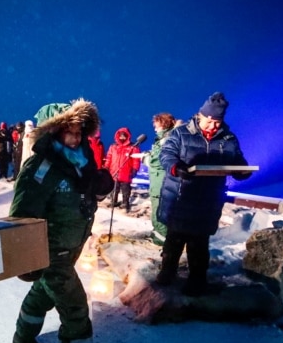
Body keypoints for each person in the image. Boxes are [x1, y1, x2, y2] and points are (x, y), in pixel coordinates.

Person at [9, 98, 117, 343]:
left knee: (42, 295)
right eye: (67, 131)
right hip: (51, 251)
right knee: (75, 309)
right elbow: (22, 215)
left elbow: (82, 201)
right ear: (52, 132)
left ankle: (23, 338)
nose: (74, 136)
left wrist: (97, 189)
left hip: (73, 247)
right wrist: (25, 257)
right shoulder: (41, 167)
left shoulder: (82, 161)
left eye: (79, 130)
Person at [156, 92, 251, 296]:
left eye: (218, 122)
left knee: (199, 244)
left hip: (208, 201)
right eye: (210, 121)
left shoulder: (228, 139)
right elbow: (166, 155)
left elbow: (237, 161)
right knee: (174, 240)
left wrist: (242, 170)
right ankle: (167, 272)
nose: (214, 126)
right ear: (200, 116)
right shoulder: (181, 133)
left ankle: (197, 280)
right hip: (181, 198)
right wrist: (176, 167)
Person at [146, 113, 180, 246]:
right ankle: (158, 236)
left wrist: (146, 159)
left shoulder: (167, 139)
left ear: (164, 124)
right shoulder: (165, 138)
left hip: (161, 183)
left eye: (156, 125)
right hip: (159, 182)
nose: (155, 128)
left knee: (159, 214)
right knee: (159, 213)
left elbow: (158, 161)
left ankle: (160, 243)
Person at [104, 127, 140, 213]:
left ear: (128, 137)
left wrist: (135, 169)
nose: (122, 137)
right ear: (118, 136)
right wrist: (106, 167)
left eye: (124, 136)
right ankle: (114, 201)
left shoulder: (133, 147)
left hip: (126, 172)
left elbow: (136, 160)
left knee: (126, 189)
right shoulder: (113, 147)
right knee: (114, 188)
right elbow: (109, 158)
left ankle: (125, 203)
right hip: (114, 172)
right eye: (121, 136)